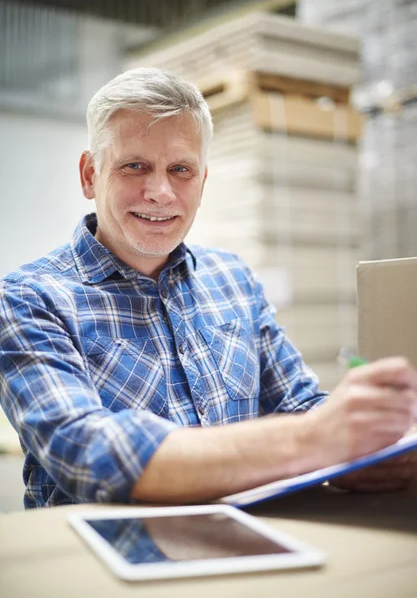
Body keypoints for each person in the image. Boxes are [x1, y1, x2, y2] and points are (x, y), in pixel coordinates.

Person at [0, 68, 416, 509]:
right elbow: (91, 455)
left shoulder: (233, 280)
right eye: (134, 166)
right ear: (89, 175)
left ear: (202, 181)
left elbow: (298, 404)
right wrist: (316, 439)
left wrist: (372, 447)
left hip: (251, 544)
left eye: (180, 169)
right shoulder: (29, 299)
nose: (159, 191)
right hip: (102, 564)